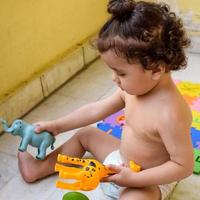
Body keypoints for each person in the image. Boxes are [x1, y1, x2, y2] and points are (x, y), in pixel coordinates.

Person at [18, 0, 194, 199]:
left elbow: (183, 166)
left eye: (121, 73)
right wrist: (58, 126)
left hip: (148, 180)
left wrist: (133, 180)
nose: (114, 78)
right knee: (86, 134)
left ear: (156, 69)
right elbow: (95, 110)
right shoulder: (133, 90)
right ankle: (39, 168)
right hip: (120, 159)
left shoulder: (170, 114)